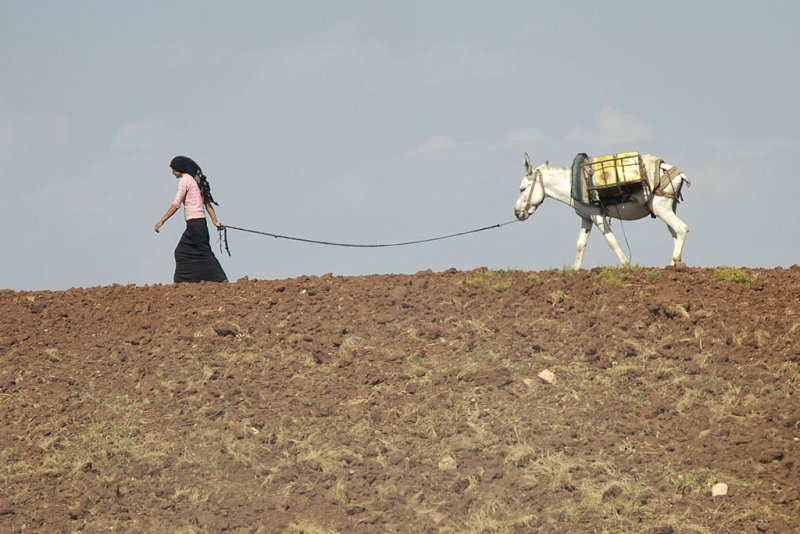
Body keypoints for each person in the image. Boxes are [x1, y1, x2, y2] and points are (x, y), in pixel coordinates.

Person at [155, 156, 228, 283]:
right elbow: (207, 204)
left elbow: (176, 204)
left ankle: (221, 279)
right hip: (198, 223)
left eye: (173, 170)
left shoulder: (185, 181)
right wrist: (215, 222)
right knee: (182, 252)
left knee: (204, 253)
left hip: (195, 223)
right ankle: (184, 282)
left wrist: (162, 221)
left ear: (179, 169)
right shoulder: (195, 182)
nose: (172, 173)